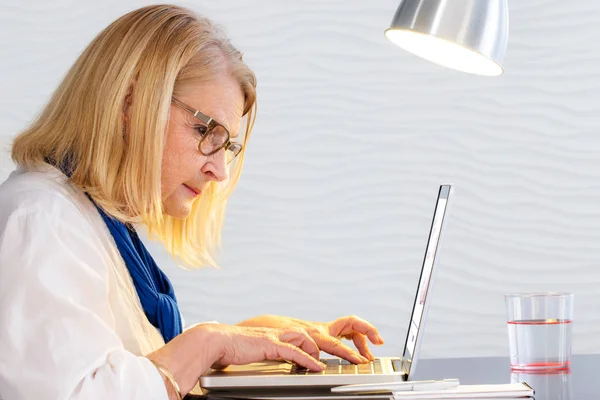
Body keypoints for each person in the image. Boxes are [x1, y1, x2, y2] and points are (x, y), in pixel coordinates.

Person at [0, 4, 385, 400]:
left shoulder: (90, 221)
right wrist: (207, 342)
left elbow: (128, 364)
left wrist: (250, 338)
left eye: (228, 145)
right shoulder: (41, 220)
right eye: (205, 130)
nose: (220, 172)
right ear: (130, 104)